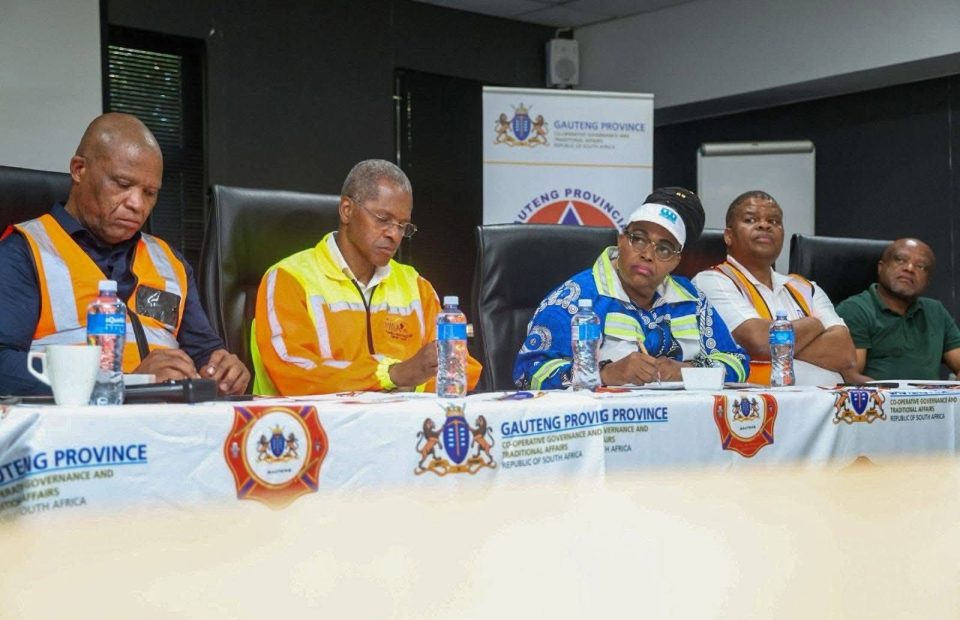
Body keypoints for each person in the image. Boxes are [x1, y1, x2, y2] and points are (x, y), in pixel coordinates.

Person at [0, 113, 249, 396]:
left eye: (150, 193)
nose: (137, 204)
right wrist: (127, 383)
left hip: (169, 419)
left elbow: (204, 353)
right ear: (79, 169)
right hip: (75, 421)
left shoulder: (169, 262)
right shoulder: (25, 251)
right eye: (122, 184)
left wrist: (224, 369)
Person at [250, 159, 481, 395]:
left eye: (403, 226)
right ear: (347, 210)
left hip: (400, 419)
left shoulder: (415, 286)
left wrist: (411, 380)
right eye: (383, 219)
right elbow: (294, 373)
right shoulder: (289, 278)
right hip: (313, 419)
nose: (394, 234)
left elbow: (463, 370)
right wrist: (392, 375)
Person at [514, 187, 748, 390]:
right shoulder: (576, 298)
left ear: (676, 261)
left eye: (664, 249)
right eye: (639, 239)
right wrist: (605, 374)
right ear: (621, 240)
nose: (647, 254)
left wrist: (687, 370)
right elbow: (529, 373)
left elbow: (737, 362)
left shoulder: (692, 300)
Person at [693, 190, 864, 386]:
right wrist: (813, 325)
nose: (764, 225)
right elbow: (759, 342)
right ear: (729, 236)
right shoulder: (713, 281)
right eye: (750, 220)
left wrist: (776, 345)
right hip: (759, 401)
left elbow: (845, 353)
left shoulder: (807, 288)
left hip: (825, 401)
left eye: (773, 221)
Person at [836, 238, 960, 380]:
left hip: (933, 394)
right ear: (881, 267)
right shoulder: (855, 310)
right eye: (901, 260)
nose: (909, 268)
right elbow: (851, 378)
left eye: (920, 266)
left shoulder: (936, 311)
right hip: (881, 394)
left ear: (927, 281)